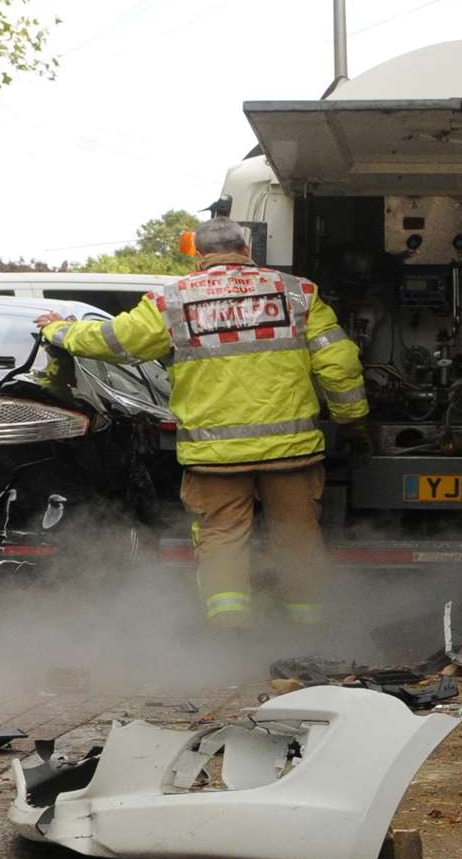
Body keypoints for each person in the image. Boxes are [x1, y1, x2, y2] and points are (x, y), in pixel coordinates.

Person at [34, 218, 370, 632]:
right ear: (247, 250)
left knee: (222, 536)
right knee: (297, 536)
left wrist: (59, 329)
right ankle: (310, 626)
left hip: (215, 454)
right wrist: (351, 421)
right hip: (290, 451)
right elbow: (339, 363)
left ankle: (229, 625)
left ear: (198, 255)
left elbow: (114, 341)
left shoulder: (173, 301)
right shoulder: (298, 292)